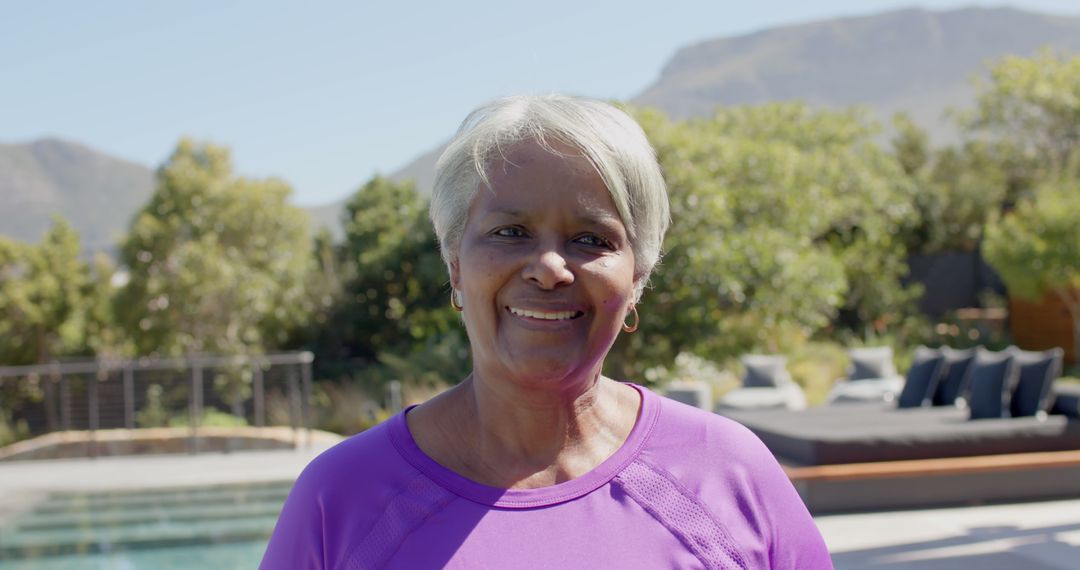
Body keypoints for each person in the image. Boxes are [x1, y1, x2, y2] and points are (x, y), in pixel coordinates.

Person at [260, 95, 832, 569]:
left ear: (637, 279)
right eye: (510, 232)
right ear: (455, 264)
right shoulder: (341, 498)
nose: (549, 267)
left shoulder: (727, 472)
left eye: (591, 239)